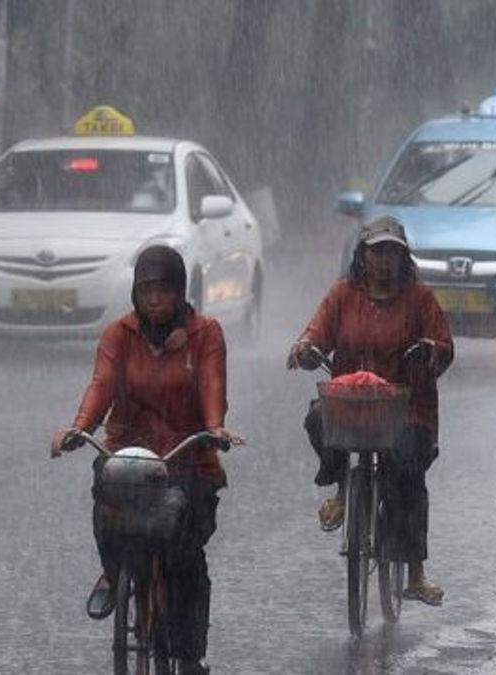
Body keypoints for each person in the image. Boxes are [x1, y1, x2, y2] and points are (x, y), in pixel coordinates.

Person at [51, 244, 243, 675]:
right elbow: (101, 385)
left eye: (163, 290)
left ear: (180, 292)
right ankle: (114, 571)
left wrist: (215, 427)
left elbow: (213, 385)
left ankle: (190, 654)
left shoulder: (206, 333)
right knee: (107, 504)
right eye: (146, 290)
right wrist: (79, 428)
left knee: (185, 559)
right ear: (135, 294)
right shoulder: (118, 335)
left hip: (188, 459)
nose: (154, 299)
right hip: (129, 455)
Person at [286, 216, 453, 606]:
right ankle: (344, 492)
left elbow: (443, 347)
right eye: (376, 251)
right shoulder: (342, 294)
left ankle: (415, 573)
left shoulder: (420, 298)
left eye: (392, 252)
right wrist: (305, 349)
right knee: (316, 419)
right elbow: (315, 336)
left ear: (403, 258)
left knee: (407, 476)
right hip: (352, 402)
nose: (383, 260)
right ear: (362, 256)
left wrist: (429, 351)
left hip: (407, 410)